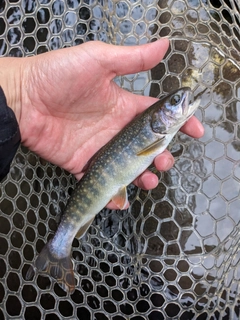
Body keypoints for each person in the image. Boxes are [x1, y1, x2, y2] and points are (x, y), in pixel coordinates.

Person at [0, 38, 204, 208]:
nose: (183, 98)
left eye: (175, 101)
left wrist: (22, 90)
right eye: (175, 102)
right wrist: (22, 90)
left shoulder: (158, 135)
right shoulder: (158, 137)